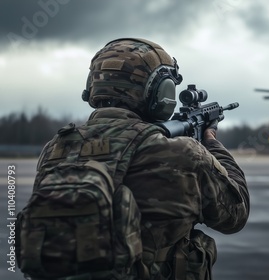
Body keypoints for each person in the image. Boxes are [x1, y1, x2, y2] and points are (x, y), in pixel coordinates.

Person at [29, 38, 250, 279]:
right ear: (160, 91)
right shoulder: (183, 154)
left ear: (92, 87)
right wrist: (212, 144)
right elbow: (235, 215)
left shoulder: (57, 148)